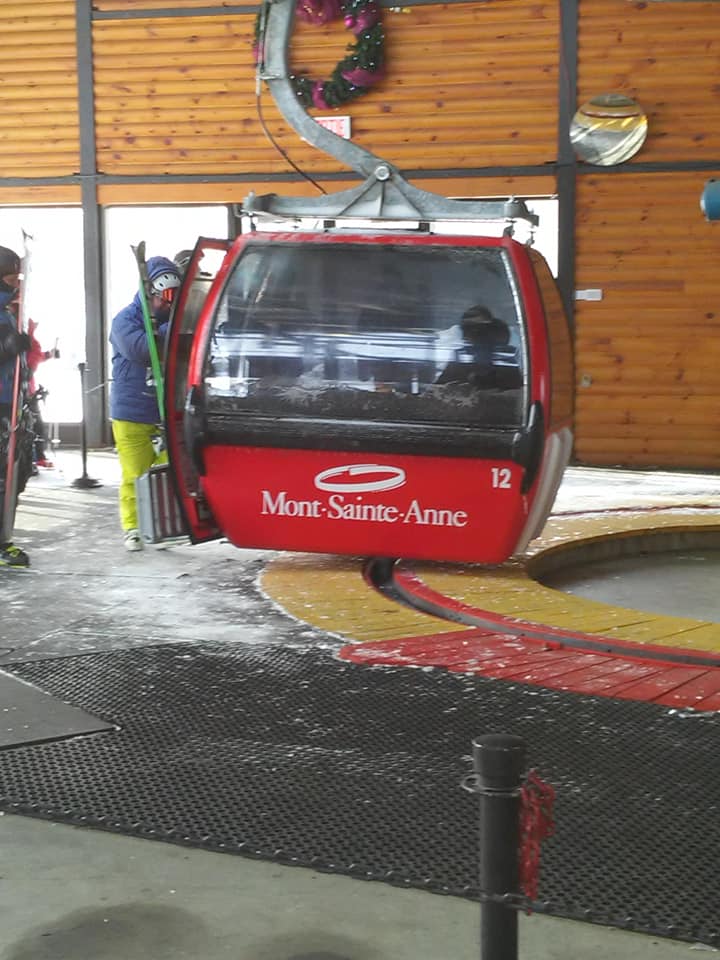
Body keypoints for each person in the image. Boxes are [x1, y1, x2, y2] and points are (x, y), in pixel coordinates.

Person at [109, 256, 181, 552]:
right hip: (131, 411)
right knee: (135, 473)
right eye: (164, 296)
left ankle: (160, 526)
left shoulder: (170, 319)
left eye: (173, 297)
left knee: (167, 471)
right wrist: (171, 332)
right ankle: (133, 527)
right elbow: (142, 349)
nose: (167, 303)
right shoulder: (124, 320)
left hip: (164, 410)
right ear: (149, 291)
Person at [0, 244, 32, 567]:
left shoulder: (9, 312)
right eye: (11, 278)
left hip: (11, 402)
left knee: (15, 473)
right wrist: (6, 347)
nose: (16, 284)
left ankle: (4, 537)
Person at [435, 305, 509, 388]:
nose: (472, 334)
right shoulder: (459, 360)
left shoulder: (506, 362)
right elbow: (437, 389)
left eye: (479, 330)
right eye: (467, 329)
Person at [26, 318, 59, 469]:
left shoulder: (25, 341)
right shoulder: (29, 341)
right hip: (26, 392)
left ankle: (36, 457)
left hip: (27, 390)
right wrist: (46, 355)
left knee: (35, 425)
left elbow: (34, 358)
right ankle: (37, 457)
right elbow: (34, 358)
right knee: (37, 426)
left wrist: (48, 355)